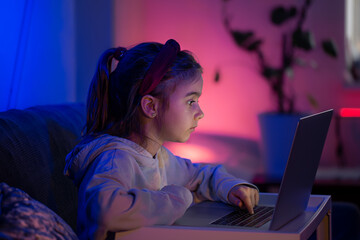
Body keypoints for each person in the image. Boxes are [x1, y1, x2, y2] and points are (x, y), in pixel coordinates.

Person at [64, 39, 259, 240]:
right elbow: (105, 211)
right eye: (191, 101)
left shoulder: (160, 158)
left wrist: (232, 187)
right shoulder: (114, 158)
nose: (200, 113)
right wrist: (177, 197)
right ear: (151, 107)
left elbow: (201, 175)